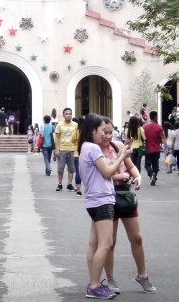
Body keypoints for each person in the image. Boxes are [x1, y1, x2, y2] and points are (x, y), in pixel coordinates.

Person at [99, 118, 155, 295]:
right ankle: (109, 278)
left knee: (137, 238)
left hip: (125, 195)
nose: (108, 136)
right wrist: (118, 176)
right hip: (107, 198)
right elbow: (99, 175)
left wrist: (138, 176)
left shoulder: (117, 146)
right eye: (104, 132)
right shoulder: (94, 150)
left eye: (110, 132)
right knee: (110, 241)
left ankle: (142, 275)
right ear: (97, 132)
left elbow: (131, 167)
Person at [78, 113, 131, 299]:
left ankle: (94, 282)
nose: (105, 134)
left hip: (94, 200)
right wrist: (122, 155)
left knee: (94, 244)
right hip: (102, 200)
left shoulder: (85, 147)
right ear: (93, 131)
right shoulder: (93, 148)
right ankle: (94, 285)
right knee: (106, 243)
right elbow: (108, 172)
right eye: (102, 130)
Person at [53, 108, 79, 192]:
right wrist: (57, 150)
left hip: (72, 149)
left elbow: (77, 138)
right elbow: (56, 138)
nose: (68, 115)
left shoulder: (75, 125)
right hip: (62, 149)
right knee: (60, 168)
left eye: (70, 114)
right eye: (66, 114)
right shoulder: (59, 125)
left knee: (71, 168)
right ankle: (60, 184)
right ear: (63, 115)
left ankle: (69, 184)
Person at [141, 111, 165, 186]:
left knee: (147, 165)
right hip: (157, 149)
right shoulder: (159, 127)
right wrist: (166, 148)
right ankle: (154, 174)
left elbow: (142, 138)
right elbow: (163, 138)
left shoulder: (144, 127)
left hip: (148, 149)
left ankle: (151, 174)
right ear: (155, 117)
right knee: (155, 164)